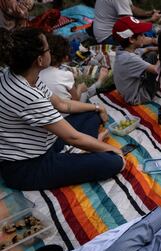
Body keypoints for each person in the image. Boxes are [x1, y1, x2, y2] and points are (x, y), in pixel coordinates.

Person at [0, 28, 125, 191]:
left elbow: (62, 104)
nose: (50, 52)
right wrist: (113, 150)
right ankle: (85, 150)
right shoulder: (28, 95)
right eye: (47, 49)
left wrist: (97, 106)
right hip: (27, 167)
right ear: (39, 59)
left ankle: (83, 150)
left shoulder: (18, 74)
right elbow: (73, 137)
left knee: (91, 113)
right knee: (115, 162)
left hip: (46, 143)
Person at [39, 34, 109, 108]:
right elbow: (76, 101)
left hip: (49, 109)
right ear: (65, 57)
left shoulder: (37, 69)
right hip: (67, 113)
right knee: (84, 90)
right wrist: (79, 89)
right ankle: (100, 81)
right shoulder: (65, 75)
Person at [112, 16, 158, 105]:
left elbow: (147, 50)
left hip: (131, 91)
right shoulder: (130, 59)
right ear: (132, 39)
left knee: (151, 54)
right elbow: (156, 69)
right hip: (139, 96)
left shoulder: (123, 49)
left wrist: (157, 48)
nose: (144, 36)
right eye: (141, 34)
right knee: (157, 59)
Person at [93, 0, 161, 44]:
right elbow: (129, 24)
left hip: (104, 32)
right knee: (150, 35)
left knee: (152, 31)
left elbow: (132, 8)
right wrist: (151, 20)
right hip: (108, 36)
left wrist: (148, 13)